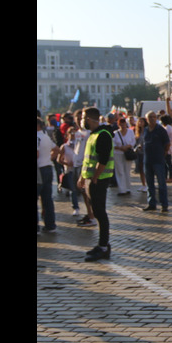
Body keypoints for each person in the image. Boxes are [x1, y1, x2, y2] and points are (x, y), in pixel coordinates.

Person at [78, 107, 115, 261]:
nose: (81, 120)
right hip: (90, 179)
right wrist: (82, 177)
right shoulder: (93, 135)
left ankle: (104, 246)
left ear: (89, 119)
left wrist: (95, 178)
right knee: (97, 211)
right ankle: (101, 244)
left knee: (100, 212)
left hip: (99, 180)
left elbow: (103, 159)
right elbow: (88, 159)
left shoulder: (103, 135)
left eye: (83, 117)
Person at [142, 111, 171, 213]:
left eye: (154, 117)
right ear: (147, 119)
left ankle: (164, 204)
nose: (152, 119)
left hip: (158, 160)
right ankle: (151, 203)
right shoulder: (145, 130)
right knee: (149, 184)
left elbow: (167, 144)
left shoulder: (161, 130)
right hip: (147, 160)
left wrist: (163, 154)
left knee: (161, 183)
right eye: (150, 117)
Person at [38, 118, 59, 233]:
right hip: (47, 167)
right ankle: (50, 225)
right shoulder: (46, 137)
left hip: (39, 169)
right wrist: (49, 158)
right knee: (47, 199)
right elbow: (56, 149)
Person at [112, 117, 135, 196]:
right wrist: (120, 148)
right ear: (119, 125)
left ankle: (128, 188)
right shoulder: (115, 133)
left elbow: (133, 141)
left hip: (127, 153)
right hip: (118, 153)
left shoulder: (130, 132)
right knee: (120, 171)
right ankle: (122, 189)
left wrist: (127, 146)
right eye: (121, 125)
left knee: (127, 171)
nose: (123, 126)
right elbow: (113, 144)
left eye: (124, 125)